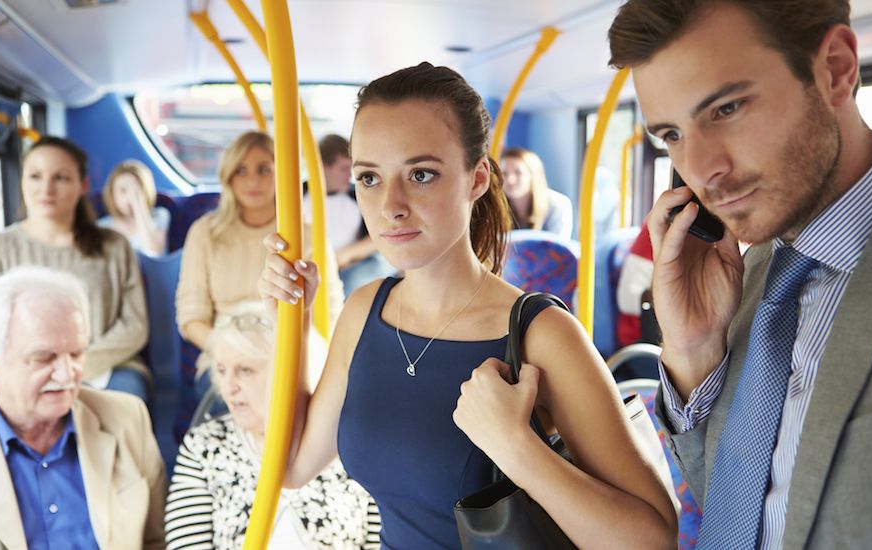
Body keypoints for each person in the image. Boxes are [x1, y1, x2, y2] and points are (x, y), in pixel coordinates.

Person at [258, 62, 677, 549]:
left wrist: (517, 448)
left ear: (476, 179)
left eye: (421, 174)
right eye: (369, 178)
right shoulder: (363, 311)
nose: (391, 204)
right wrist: (292, 322)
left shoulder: (540, 333)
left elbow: (652, 540)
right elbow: (290, 465)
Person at [609, 0, 872, 547]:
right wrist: (691, 355)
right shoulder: (746, 276)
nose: (702, 169)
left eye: (727, 109)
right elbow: (744, 508)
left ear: (834, 69)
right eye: (671, 134)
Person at [164, 301, 379, 550]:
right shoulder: (205, 445)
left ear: (293, 373)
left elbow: (381, 537)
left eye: (245, 370)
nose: (228, 387)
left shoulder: (349, 443)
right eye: (221, 371)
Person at [0, 266, 166, 549]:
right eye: (44, 358)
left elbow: (158, 541)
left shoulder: (127, 418)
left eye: (77, 354)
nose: (68, 375)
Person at [177, 130, 343, 398]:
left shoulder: (308, 235)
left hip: (294, 350)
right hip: (226, 353)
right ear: (228, 176)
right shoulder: (204, 233)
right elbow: (191, 316)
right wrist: (235, 352)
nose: (253, 180)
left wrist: (294, 351)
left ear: (281, 175)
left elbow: (331, 311)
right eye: (241, 170)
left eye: (264, 169)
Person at [0, 136, 150, 401]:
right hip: (22, 368)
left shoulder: (114, 246)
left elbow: (134, 325)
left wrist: (76, 365)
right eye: (35, 177)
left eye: (60, 178)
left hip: (107, 366)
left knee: (129, 395)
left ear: (83, 185)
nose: (46, 189)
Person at [304, 134, 394, 295]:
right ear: (322, 167)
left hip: (351, 267)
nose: (350, 176)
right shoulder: (296, 197)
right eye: (344, 169)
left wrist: (346, 256)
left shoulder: (358, 196)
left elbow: (380, 236)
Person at [97, 159, 169, 257]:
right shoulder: (101, 228)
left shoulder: (160, 215)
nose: (129, 197)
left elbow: (154, 253)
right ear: (112, 194)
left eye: (136, 190)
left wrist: (138, 203)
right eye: (123, 190)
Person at [500, 146, 574, 239]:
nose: (510, 180)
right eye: (504, 173)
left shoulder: (558, 204)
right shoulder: (495, 207)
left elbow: (558, 248)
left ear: (533, 175)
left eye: (518, 172)